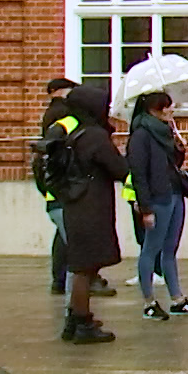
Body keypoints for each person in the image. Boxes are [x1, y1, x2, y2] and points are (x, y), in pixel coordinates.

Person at [54, 84, 130, 344]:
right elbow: (119, 168)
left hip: (76, 204)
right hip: (91, 207)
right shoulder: (95, 136)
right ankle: (82, 322)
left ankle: (75, 320)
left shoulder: (74, 132)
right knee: (85, 268)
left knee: (81, 266)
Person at [127, 91, 188, 320]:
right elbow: (138, 173)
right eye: (168, 106)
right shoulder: (141, 135)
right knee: (151, 249)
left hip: (174, 193)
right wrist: (146, 208)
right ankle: (148, 301)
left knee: (170, 248)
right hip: (157, 198)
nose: (172, 110)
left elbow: (172, 164)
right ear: (155, 109)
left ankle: (177, 298)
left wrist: (179, 147)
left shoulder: (166, 131)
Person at [39, 78, 116, 300]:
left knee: (66, 242)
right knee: (79, 257)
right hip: (76, 195)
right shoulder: (69, 122)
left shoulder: (62, 120)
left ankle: (61, 285)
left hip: (64, 192)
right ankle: (76, 314)